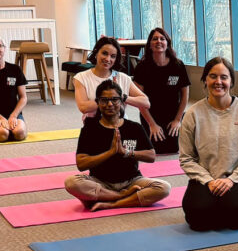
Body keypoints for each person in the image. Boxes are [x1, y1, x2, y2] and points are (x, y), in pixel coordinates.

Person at [179, 56, 238, 230]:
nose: (218, 82)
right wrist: (208, 180)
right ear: (205, 80)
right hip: (204, 179)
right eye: (213, 76)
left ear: (231, 81)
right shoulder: (193, 114)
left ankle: (222, 206)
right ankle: (213, 206)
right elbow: (186, 158)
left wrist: (232, 180)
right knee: (197, 219)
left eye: (224, 77)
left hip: (236, 179)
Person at [63, 80, 171, 211]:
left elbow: (151, 156)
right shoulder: (90, 129)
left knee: (164, 188)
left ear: (121, 102)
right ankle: (123, 196)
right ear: (97, 102)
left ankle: (112, 202)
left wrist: (126, 152)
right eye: (104, 100)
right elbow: (81, 164)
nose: (109, 104)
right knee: (71, 182)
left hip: (132, 181)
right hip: (100, 182)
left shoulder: (134, 127)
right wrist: (110, 152)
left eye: (114, 99)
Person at [132, 27, 190, 154]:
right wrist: (152, 124)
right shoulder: (142, 67)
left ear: (167, 43)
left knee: (173, 148)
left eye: (162, 39)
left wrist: (177, 120)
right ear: (150, 45)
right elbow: (139, 101)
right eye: (155, 39)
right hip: (150, 114)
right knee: (154, 149)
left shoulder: (178, 65)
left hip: (172, 115)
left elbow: (185, 96)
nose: (159, 41)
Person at [72, 36, 151, 121]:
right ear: (96, 53)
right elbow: (83, 107)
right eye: (104, 53)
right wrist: (110, 97)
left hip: (119, 125)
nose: (108, 59)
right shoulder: (81, 78)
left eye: (113, 56)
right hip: (94, 127)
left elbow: (145, 102)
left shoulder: (123, 78)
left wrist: (122, 97)